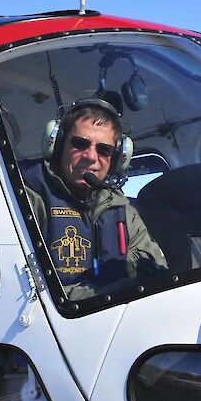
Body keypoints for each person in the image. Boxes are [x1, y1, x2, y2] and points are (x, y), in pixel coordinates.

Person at [20, 98, 167, 300]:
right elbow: (9, 294)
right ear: (59, 144)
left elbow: (153, 268)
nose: (90, 156)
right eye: (80, 144)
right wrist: (99, 295)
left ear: (116, 159)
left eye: (103, 150)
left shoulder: (120, 208)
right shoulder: (26, 197)